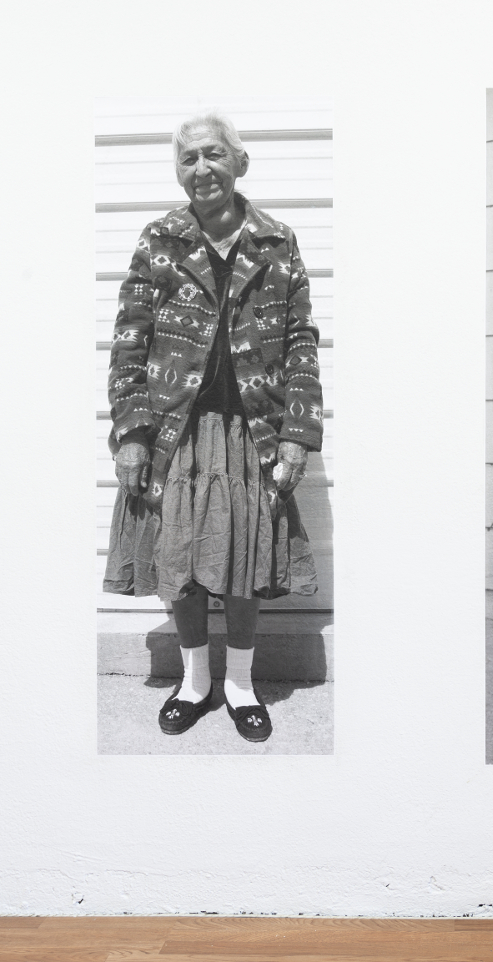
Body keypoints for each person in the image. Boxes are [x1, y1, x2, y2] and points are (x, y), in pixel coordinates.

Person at [104, 110, 323, 743]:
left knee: (245, 556)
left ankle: (242, 685)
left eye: (213, 155)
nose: (201, 169)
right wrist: (133, 433)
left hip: (252, 427)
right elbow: (128, 340)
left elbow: (302, 344)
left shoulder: (277, 240)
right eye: (188, 159)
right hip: (178, 428)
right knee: (183, 558)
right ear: (179, 172)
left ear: (239, 163)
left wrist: (296, 434)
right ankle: (195, 681)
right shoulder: (159, 239)